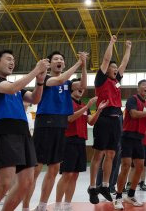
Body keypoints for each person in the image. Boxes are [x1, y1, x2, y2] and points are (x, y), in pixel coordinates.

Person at [0, 50, 49, 211]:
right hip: (3, 130)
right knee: (4, 183)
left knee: (26, 183)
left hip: (23, 132)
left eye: (14, 60)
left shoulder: (15, 86)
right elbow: (11, 89)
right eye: (8, 59)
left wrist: (40, 81)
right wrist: (36, 70)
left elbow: (35, 99)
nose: (12, 62)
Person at [23, 51, 88, 211]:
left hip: (61, 125)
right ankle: (25, 207)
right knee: (36, 170)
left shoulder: (68, 84)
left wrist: (85, 66)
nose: (59, 61)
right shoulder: (44, 78)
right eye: (56, 59)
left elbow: (83, 85)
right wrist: (79, 63)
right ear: (50, 63)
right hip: (45, 123)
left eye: (61, 59)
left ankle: (42, 205)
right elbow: (59, 79)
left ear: (64, 64)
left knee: (54, 169)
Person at [88, 36, 132, 204]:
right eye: (112, 67)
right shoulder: (100, 79)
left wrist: (128, 48)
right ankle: (92, 187)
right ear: (106, 70)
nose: (115, 69)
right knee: (98, 154)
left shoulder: (116, 81)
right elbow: (106, 59)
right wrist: (112, 43)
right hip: (104, 117)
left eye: (115, 67)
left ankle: (105, 185)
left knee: (112, 154)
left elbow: (124, 64)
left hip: (116, 119)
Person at [54, 83, 107, 211]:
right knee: (67, 174)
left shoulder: (84, 105)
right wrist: (87, 107)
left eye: (83, 88)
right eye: (78, 86)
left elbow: (91, 121)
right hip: (68, 140)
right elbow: (70, 118)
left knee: (75, 175)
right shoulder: (66, 101)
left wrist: (98, 110)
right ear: (72, 88)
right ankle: (57, 205)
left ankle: (67, 204)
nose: (81, 89)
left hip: (80, 141)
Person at [113, 80, 146, 209]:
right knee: (126, 166)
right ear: (138, 88)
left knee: (140, 167)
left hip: (139, 138)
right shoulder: (132, 99)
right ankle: (118, 197)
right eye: (144, 85)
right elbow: (134, 115)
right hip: (127, 136)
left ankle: (131, 195)